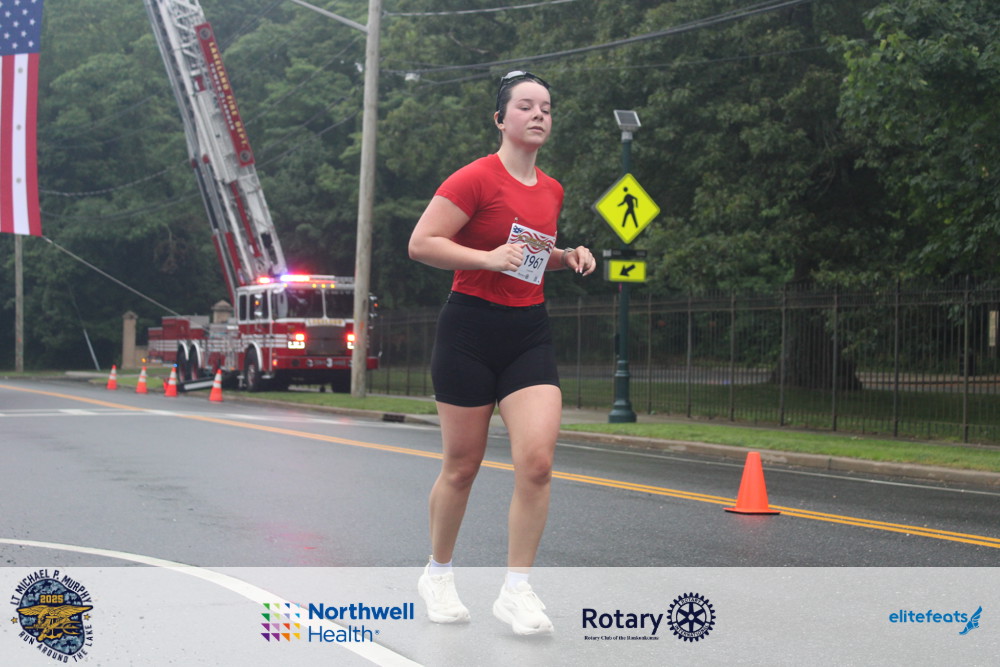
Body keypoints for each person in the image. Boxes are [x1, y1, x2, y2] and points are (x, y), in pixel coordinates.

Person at [408, 70, 596, 636]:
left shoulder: (552, 189)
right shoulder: (475, 178)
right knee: (462, 466)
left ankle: (517, 590)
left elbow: (530, 255)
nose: (539, 114)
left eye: (546, 108)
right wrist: (486, 258)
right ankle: (438, 574)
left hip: (527, 332)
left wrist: (566, 256)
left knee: (536, 463)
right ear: (500, 119)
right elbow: (422, 243)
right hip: (468, 331)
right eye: (526, 106)